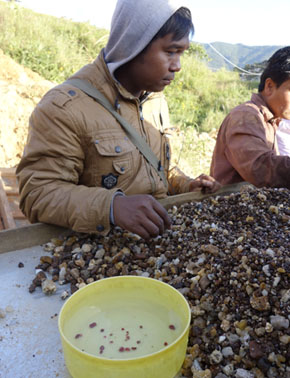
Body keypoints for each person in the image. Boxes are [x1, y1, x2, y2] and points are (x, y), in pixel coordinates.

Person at [17, 0, 220, 240]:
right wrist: (112, 208)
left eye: (181, 53)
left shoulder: (154, 100)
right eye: (171, 51)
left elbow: (157, 169)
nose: (177, 66)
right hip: (98, 257)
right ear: (134, 44)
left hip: (156, 246)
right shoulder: (65, 108)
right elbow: (38, 195)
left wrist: (186, 185)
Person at [210, 46, 290, 190]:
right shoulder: (246, 115)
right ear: (270, 86)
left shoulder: (273, 119)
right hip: (230, 206)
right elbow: (261, 169)